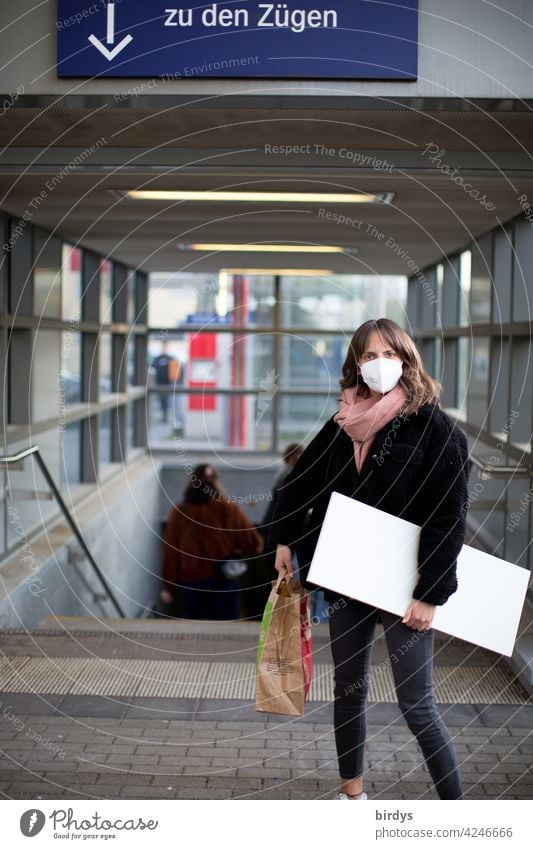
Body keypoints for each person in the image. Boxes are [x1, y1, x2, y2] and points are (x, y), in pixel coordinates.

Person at [267, 318, 472, 801]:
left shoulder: (435, 429)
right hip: (346, 576)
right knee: (349, 690)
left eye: (387, 354)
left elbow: (448, 518)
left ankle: (458, 812)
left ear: (406, 359)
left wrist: (431, 594)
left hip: (406, 587)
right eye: (367, 355)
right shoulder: (344, 422)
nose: (378, 364)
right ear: (355, 364)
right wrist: (283, 538)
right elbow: (302, 482)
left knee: (416, 702)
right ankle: (352, 796)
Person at [160, 464, 264, 619]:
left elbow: (170, 552)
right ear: (216, 482)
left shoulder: (180, 511)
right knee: (225, 628)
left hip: (191, 581)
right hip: (223, 579)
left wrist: (168, 586)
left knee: (193, 630)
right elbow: (254, 543)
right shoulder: (227, 508)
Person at [151, 342, 181, 423]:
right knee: (162, 400)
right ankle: (164, 414)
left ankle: (168, 415)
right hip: (159, 384)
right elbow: (152, 368)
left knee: (169, 400)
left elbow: (177, 371)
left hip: (169, 384)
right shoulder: (157, 359)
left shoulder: (172, 359)